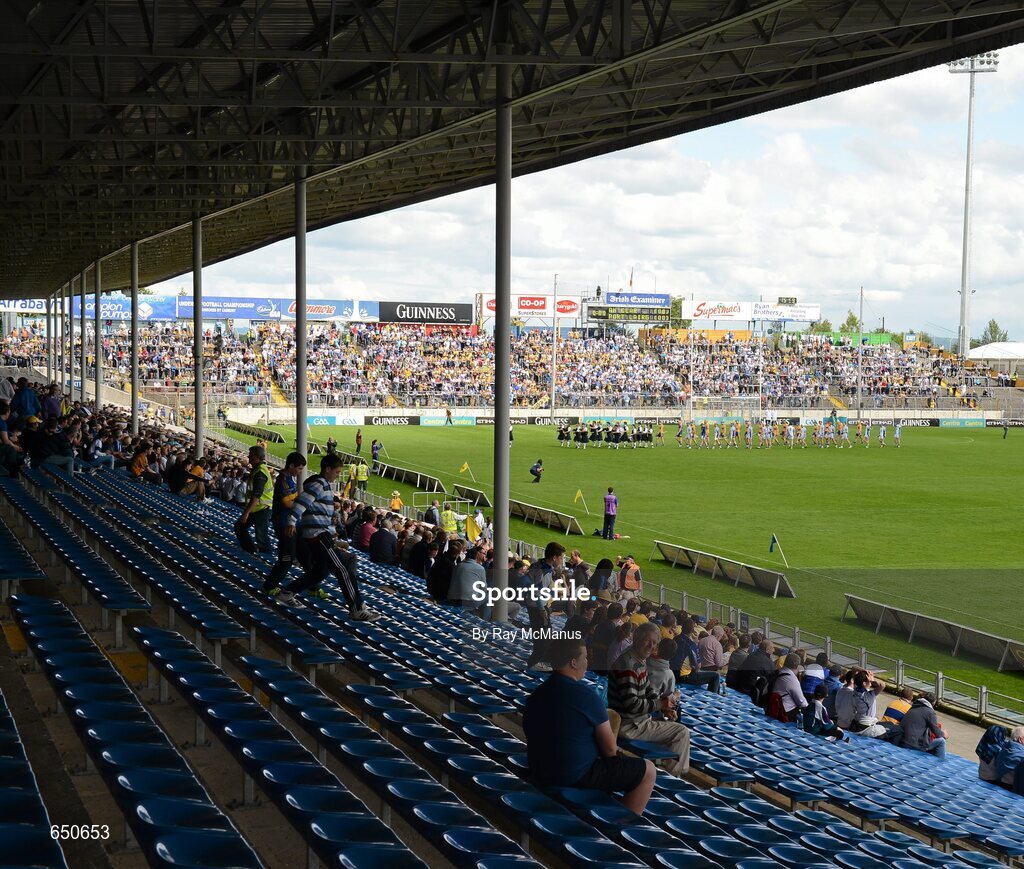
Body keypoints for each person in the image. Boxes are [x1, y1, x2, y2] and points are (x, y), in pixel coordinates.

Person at [523, 637, 656, 815]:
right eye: (585, 657)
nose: (587, 662)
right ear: (573, 662)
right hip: (572, 775)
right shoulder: (586, 696)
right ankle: (622, 829)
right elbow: (610, 750)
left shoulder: (536, 694)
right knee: (648, 770)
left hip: (539, 770)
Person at [276, 454, 380, 621]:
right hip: (318, 535)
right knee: (343, 569)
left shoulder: (320, 485)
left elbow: (319, 511)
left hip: (318, 534)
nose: (338, 475)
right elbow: (302, 502)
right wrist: (291, 521)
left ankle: (287, 593)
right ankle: (356, 608)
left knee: (320, 572)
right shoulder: (320, 484)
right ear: (328, 469)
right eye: (337, 472)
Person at [609, 622, 690, 777]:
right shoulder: (629, 665)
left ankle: (665, 776)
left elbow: (648, 691)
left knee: (673, 730)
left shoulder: (637, 661)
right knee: (681, 732)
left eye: (655, 643)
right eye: (648, 641)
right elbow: (632, 705)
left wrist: (664, 707)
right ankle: (671, 781)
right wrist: (660, 703)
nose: (651, 646)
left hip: (633, 723)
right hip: (630, 726)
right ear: (636, 639)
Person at [261, 451, 307, 593]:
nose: (300, 472)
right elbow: (287, 504)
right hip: (284, 524)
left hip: (292, 523)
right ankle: (269, 586)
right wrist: (302, 503)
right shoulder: (283, 479)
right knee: (287, 558)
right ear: (291, 465)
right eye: (299, 469)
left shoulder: (289, 479)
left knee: (305, 556)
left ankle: (312, 586)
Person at [524, 541, 566, 670]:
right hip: (538, 607)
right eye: (561, 558)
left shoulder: (538, 565)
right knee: (544, 638)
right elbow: (538, 591)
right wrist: (542, 609)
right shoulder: (544, 570)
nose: (561, 560)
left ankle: (535, 662)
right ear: (554, 557)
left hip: (534, 605)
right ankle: (534, 663)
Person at [235, 445, 274, 554]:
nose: (248, 456)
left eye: (250, 455)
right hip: (257, 508)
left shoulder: (260, 472)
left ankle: (266, 559)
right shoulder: (258, 470)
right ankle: (251, 552)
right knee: (240, 527)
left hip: (262, 509)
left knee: (261, 537)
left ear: (257, 457)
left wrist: (246, 513)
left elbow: (256, 495)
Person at [898, 693, 948, 760]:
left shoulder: (913, 707)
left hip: (902, 741)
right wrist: (944, 734)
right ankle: (939, 764)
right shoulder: (930, 712)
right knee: (941, 741)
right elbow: (937, 733)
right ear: (933, 703)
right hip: (914, 745)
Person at [768, 653, 808, 723]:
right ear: (797, 666)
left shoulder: (778, 671)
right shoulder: (792, 680)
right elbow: (802, 703)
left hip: (773, 708)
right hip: (784, 713)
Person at [448, 546, 487, 612]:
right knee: (488, 597)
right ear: (477, 556)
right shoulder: (480, 568)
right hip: (468, 601)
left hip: (453, 598)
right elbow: (484, 588)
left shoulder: (457, 566)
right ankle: (485, 620)